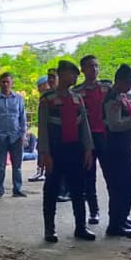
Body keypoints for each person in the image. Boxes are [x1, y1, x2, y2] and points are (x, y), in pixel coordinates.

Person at [38, 60, 95, 242]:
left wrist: (88, 149)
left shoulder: (77, 98)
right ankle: (50, 229)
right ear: (62, 74)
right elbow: (43, 129)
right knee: (52, 190)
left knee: (79, 189)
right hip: (56, 149)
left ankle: (81, 227)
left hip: (75, 149)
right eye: (72, 74)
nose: (75, 77)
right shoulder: (48, 99)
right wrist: (44, 153)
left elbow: (84, 125)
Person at [102, 64, 131, 237]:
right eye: (128, 83)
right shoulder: (112, 99)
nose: (130, 87)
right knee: (120, 186)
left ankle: (122, 217)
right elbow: (115, 125)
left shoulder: (120, 96)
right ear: (120, 81)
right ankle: (115, 224)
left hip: (125, 146)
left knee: (129, 184)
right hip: (115, 148)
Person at [76, 54, 110, 227]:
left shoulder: (106, 88)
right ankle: (94, 210)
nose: (94, 69)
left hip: (104, 136)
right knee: (89, 176)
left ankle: (116, 214)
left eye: (96, 66)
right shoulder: (78, 92)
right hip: (87, 138)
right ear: (83, 69)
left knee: (111, 175)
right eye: (90, 66)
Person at [0, 71, 29, 199]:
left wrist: (23, 135)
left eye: (8, 82)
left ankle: (17, 189)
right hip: (1, 137)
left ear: (12, 83)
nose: (5, 84)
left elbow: (23, 117)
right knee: (0, 166)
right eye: (3, 82)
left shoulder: (18, 99)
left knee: (17, 166)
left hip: (16, 136)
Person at [29, 76, 49, 181]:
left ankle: (44, 171)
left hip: (49, 130)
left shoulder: (50, 96)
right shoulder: (42, 97)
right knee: (40, 150)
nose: (39, 88)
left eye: (40, 86)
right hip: (42, 129)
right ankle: (40, 171)